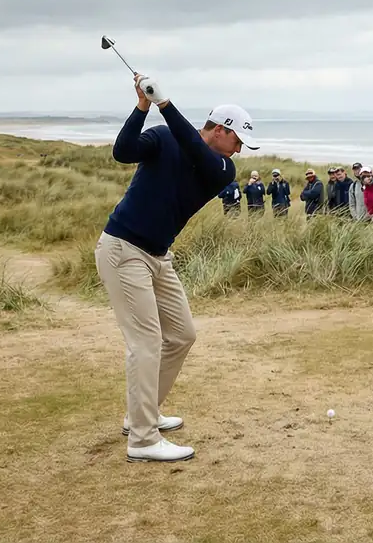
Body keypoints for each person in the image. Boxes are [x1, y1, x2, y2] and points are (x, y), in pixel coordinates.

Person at [95, 74, 256, 463]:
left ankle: (140, 415)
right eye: (237, 141)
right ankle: (143, 440)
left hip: (158, 256)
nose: (238, 150)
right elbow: (123, 151)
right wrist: (143, 107)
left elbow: (195, 151)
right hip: (124, 249)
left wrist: (166, 105)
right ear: (219, 130)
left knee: (182, 335)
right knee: (146, 342)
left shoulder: (221, 169)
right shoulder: (164, 138)